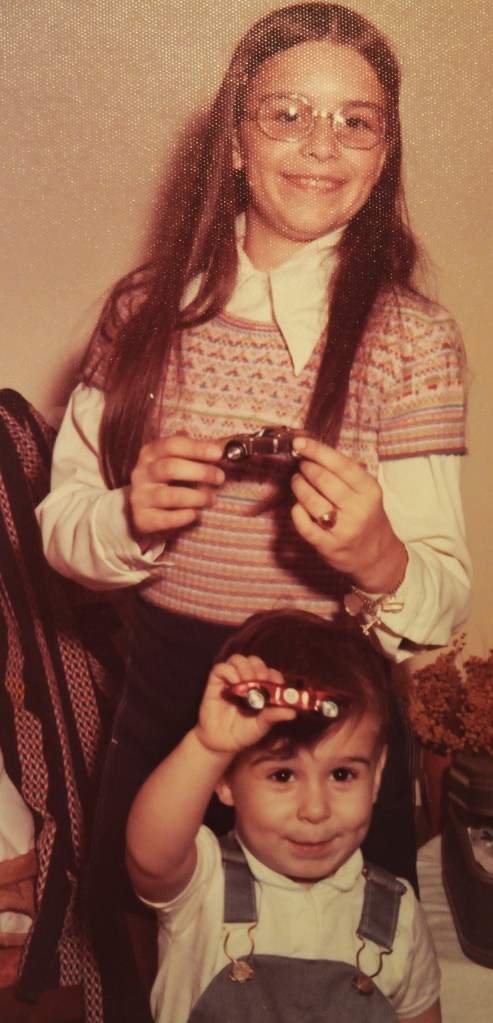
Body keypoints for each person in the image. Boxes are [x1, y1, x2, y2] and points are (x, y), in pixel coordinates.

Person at [35, 0, 469, 1015]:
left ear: (385, 150)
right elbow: (63, 529)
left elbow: (441, 601)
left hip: (335, 716)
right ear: (233, 138)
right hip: (168, 701)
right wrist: (131, 520)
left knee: (350, 971)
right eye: (287, 114)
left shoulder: (413, 339)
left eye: (356, 120)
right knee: (164, 966)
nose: (322, 145)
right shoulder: (146, 310)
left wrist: (379, 560)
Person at [126, 609, 442, 1023]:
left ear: (377, 774)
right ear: (224, 779)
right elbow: (150, 856)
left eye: (342, 774)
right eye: (282, 775)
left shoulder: (398, 914)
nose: (315, 809)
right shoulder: (204, 884)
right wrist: (208, 746)